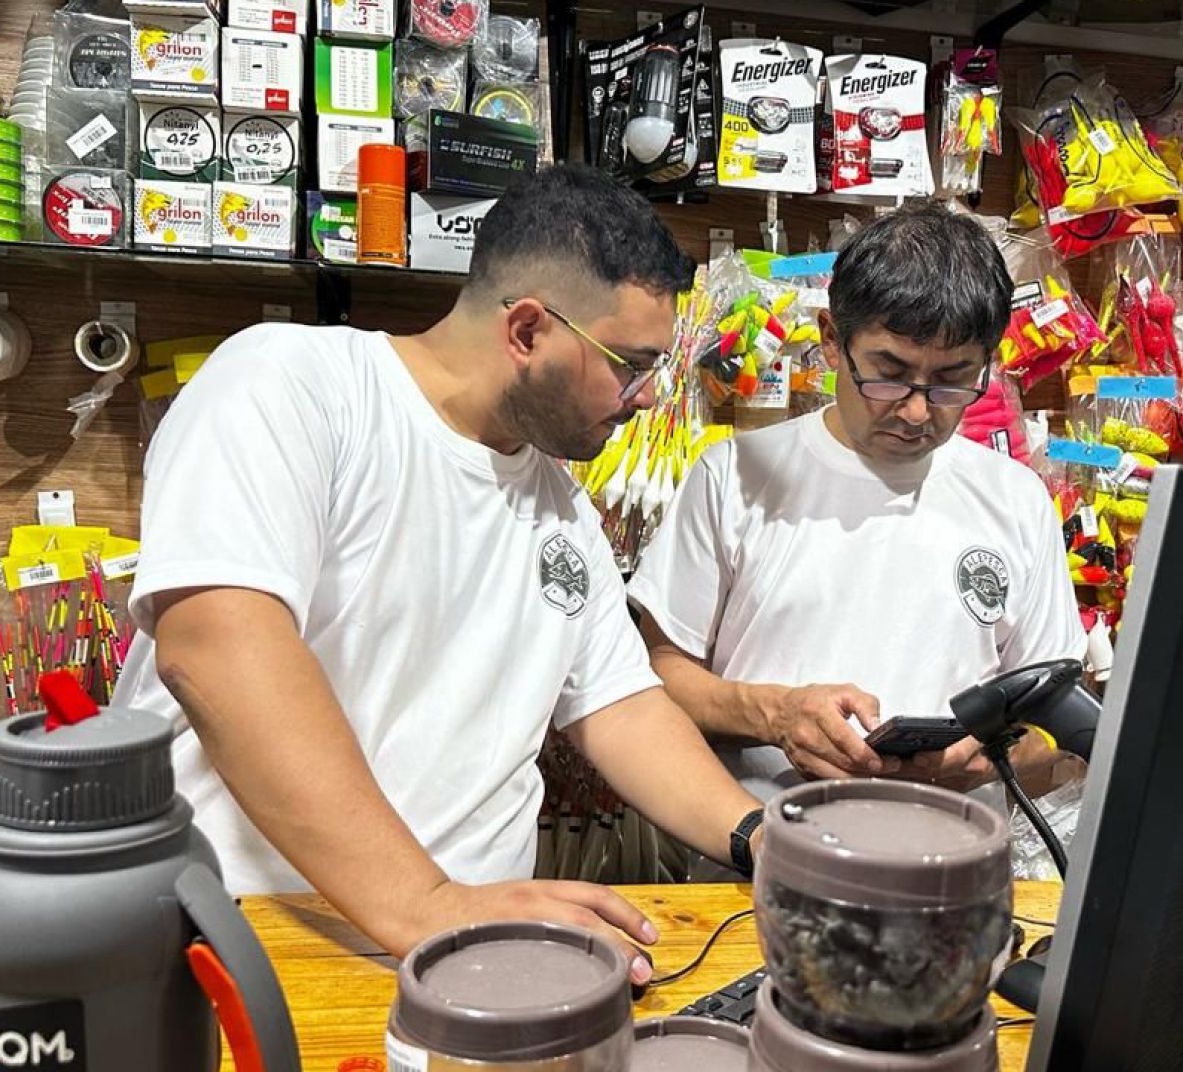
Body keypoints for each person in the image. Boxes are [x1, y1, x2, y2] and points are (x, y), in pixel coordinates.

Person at [111, 164, 766, 984]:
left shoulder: (562, 507)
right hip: (255, 940)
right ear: (526, 330)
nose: (643, 399)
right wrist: (426, 903)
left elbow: (622, 705)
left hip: (469, 956)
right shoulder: (292, 384)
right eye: (629, 365)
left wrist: (764, 840)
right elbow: (216, 650)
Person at [628, 203, 1086, 803]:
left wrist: (992, 756)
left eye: (952, 381)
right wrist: (776, 714)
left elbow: (1054, 727)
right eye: (889, 372)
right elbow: (657, 674)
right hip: (761, 847)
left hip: (954, 850)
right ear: (830, 340)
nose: (917, 411)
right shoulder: (733, 475)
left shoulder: (1018, 499)